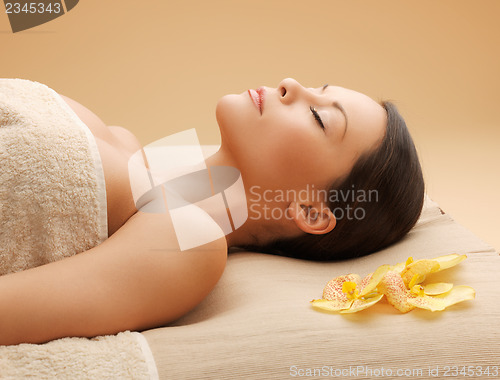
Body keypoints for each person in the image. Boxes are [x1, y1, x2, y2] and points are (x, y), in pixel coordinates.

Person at [0, 78, 424, 345]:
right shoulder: (125, 144)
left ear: (311, 211)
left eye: (318, 116)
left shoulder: (192, 240)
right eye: (317, 85)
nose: (290, 84)